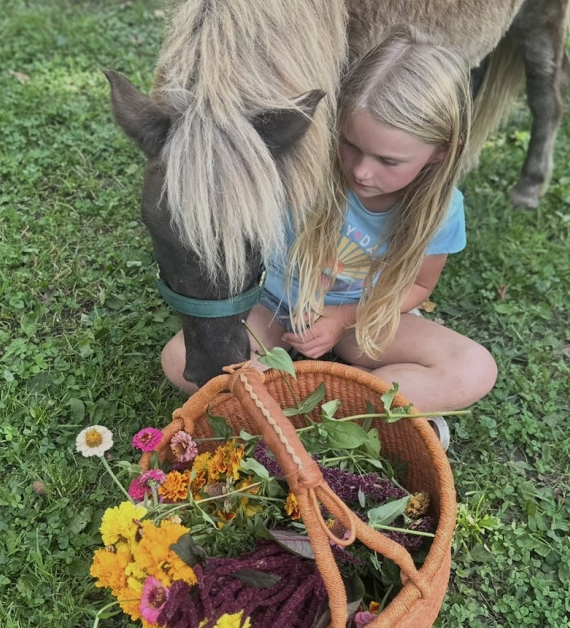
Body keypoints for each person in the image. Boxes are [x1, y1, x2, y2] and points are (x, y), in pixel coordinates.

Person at [161, 35, 498, 442]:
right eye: (350, 145)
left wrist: (341, 319)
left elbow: (419, 286)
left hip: (361, 315)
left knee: (474, 368)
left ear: (441, 153)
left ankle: (293, 407)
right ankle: (353, 410)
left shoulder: (441, 210)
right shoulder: (310, 165)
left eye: (388, 161)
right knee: (179, 359)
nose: (361, 171)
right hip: (273, 303)